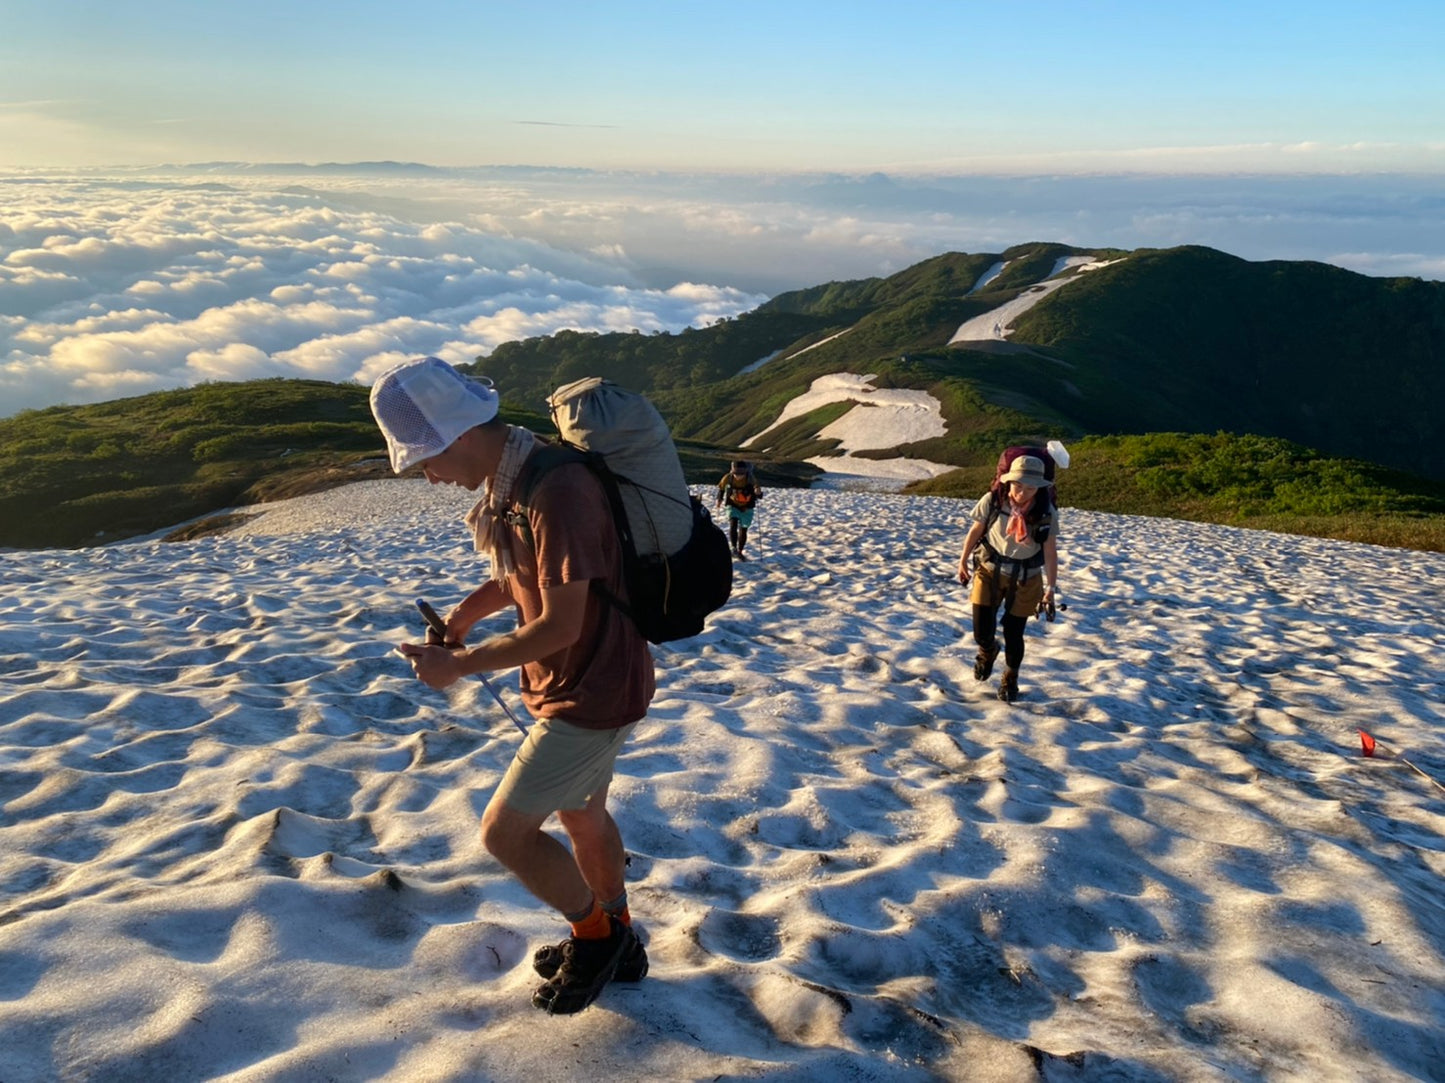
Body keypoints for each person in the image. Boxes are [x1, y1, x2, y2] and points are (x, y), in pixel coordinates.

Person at [370, 356, 653, 1015]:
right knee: (582, 816)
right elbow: (534, 573)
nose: (432, 476)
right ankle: (622, 937)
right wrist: (466, 616)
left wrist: (457, 667)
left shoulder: (556, 490)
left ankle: (597, 938)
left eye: (426, 461)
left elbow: (560, 621)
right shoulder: (523, 475)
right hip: (591, 682)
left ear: (455, 435)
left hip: (592, 693)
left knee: (505, 833)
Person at [956, 454, 1059, 702]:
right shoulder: (993, 501)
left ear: (1040, 488)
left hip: (1027, 577)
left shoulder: (1046, 511)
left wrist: (1051, 587)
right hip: (989, 570)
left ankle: (1010, 677)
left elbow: (1050, 550)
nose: (1022, 493)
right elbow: (976, 530)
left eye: (1030, 487)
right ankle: (988, 650)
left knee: (1014, 633)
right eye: (1018, 485)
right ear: (1008, 481)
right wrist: (962, 560)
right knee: (982, 630)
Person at [716, 459, 762, 560]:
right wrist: (719, 499)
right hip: (732, 504)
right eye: (736, 473)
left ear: (745, 472)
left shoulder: (751, 479)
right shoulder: (728, 478)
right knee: (733, 523)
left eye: (741, 474)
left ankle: (740, 551)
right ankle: (733, 548)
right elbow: (721, 489)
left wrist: (758, 492)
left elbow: (759, 495)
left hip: (747, 507)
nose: (738, 476)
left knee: (743, 529)